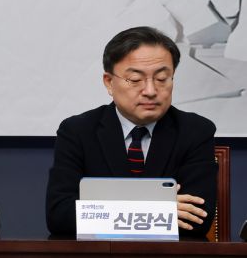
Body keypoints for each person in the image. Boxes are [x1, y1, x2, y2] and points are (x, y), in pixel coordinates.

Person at [45, 26, 217, 236]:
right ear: (109, 82)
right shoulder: (78, 131)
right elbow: (60, 216)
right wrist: (158, 211)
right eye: (135, 80)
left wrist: (99, 212)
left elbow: (196, 219)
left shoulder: (195, 131)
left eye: (162, 78)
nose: (150, 91)